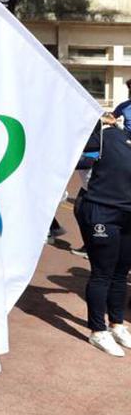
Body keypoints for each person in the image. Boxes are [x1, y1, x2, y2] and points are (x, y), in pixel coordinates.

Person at [74, 115, 131, 356]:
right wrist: (98, 189)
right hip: (101, 210)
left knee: (121, 271)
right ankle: (98, 330)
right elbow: (79, 163)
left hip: (127, 213)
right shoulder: (102, 135)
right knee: (102, 272)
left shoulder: (127, 139)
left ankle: (117, 324)